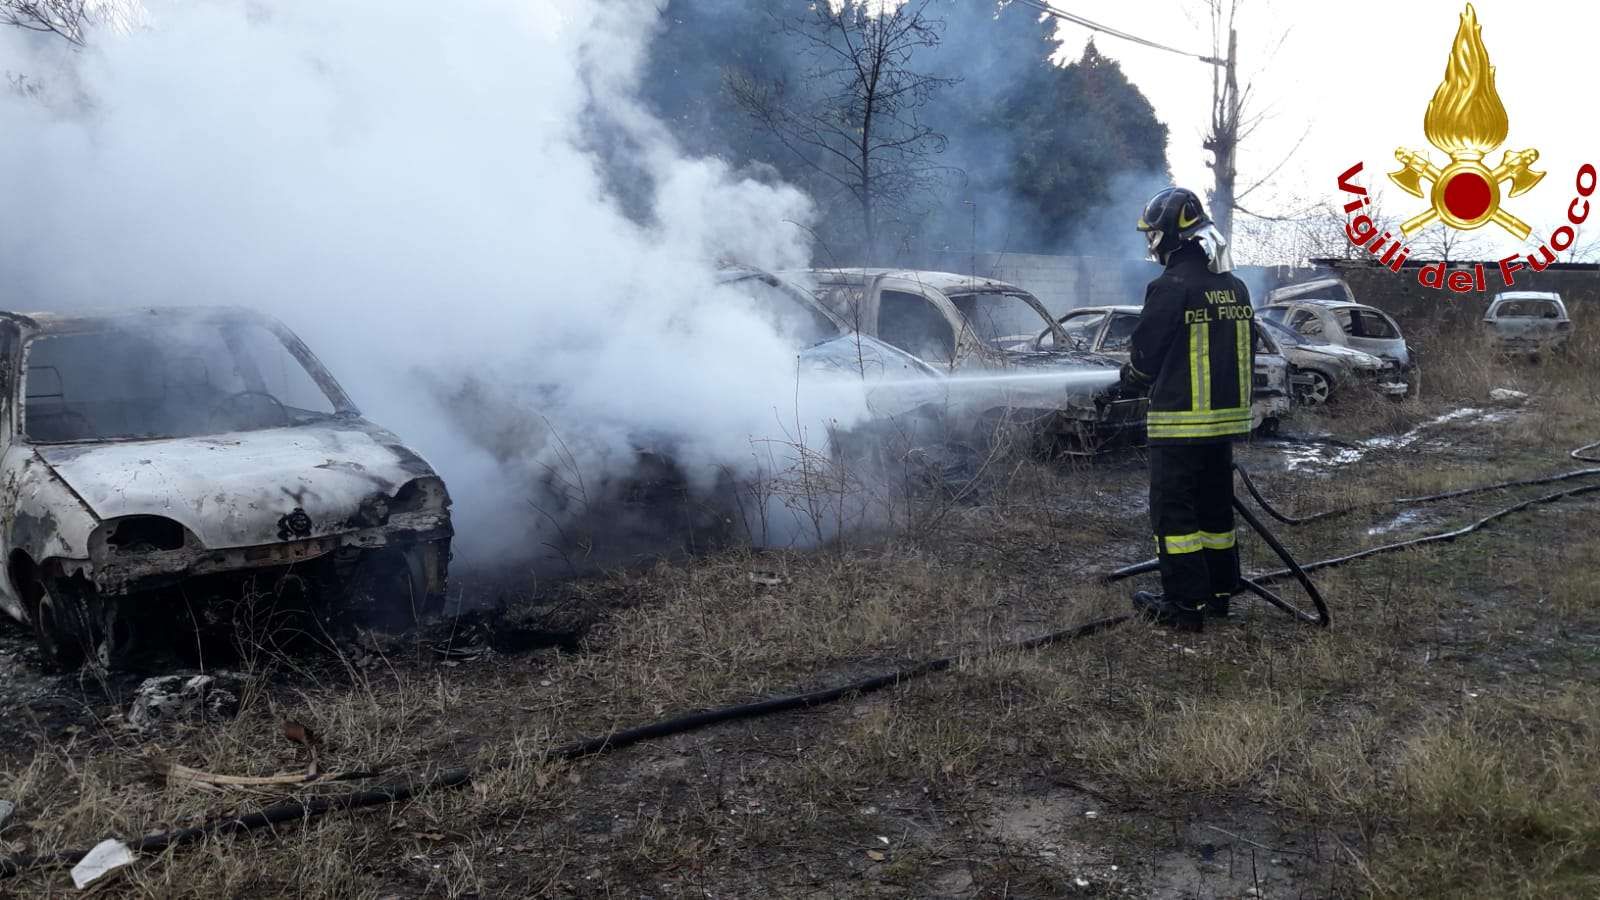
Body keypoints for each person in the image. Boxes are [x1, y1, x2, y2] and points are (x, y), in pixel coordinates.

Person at [1108, 187, 1254, 632]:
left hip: (1178, 422)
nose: (1150, 244)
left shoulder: (1169, 287)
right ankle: (1219, 593)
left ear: (1171, 236)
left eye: (1153, 235)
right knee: (1214, 510)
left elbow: (1146, 356)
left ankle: (1183, 607)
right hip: (1224, 423)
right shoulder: (1234, 286)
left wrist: (1128, 381)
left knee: (1175, 517)